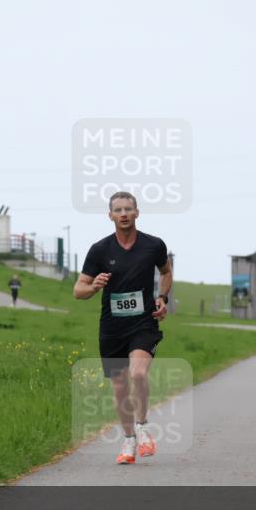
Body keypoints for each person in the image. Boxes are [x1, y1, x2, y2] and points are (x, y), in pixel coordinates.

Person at [73, 191, 172, 465]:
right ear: (111, 216)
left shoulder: (153, 245)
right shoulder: (100, 250)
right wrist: (93, 286)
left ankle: (141, 427)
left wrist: (163, 298)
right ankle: (128, 440)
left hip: (143, 322)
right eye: (118, 210)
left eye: (129, 209)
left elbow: (165, 272)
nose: (124, 213)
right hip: (112, 326)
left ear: (137, 213)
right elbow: (78, 290)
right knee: (119, 387)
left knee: (138, 373)